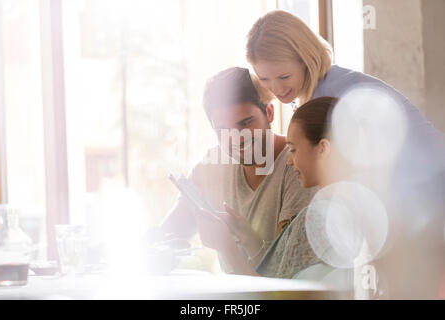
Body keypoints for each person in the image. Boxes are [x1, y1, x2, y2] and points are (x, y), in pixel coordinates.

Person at [246, 11, 445, 298]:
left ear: (306, 59)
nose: (276, 89)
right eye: (265, 80)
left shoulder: (331, 100)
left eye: (284, 76)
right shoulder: (330, 87)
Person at [154, 67, 315, 274]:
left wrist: (226, 245)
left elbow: (284, 282)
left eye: (245, 123)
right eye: (223, 130)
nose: (237, 138)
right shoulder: (213, 166)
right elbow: (170, 232)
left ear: (269, 112)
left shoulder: (297, 167)